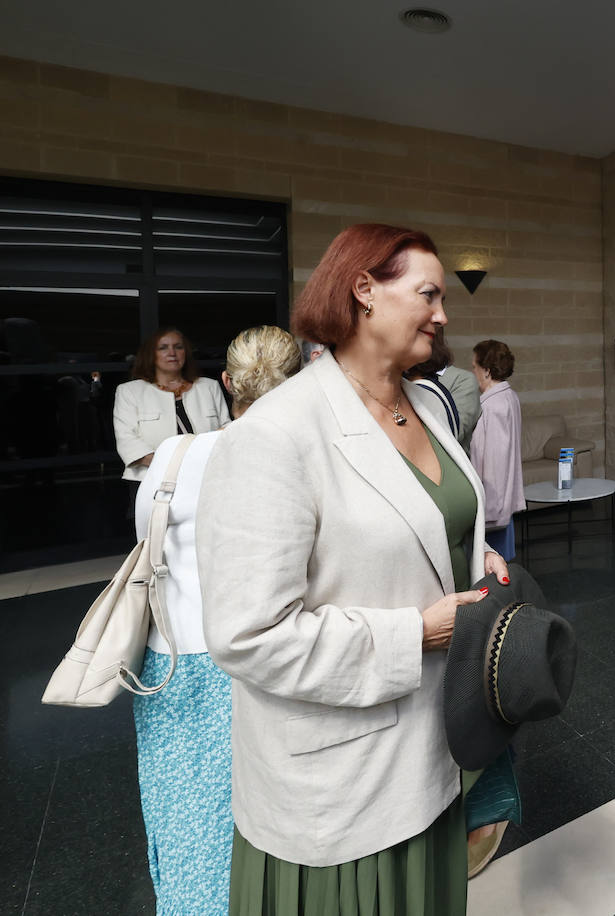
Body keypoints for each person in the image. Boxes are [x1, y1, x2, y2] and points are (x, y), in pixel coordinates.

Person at [198, 223, 509, 915]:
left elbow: (435, 521)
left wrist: (474, 555)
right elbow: (246, 633)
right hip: (345, 780)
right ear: (363, 290)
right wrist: (416, 634)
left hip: (436, 748)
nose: (443, 314)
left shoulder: (428, 403)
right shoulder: (275, 435)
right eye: (428, 293)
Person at [132, 325, 301, 915]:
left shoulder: (175, 457)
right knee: (265, 817)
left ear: (226, 383)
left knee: (182, 816)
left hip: (172, 660)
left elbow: (147, 553)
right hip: (258, 662)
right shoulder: (297, 462)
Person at [113, 328, 231, 486]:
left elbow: (226, 429)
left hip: (205, 477)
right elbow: (127, 439)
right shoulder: (130, 391)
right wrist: (171, 466)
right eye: (163, 348)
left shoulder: (209, 386)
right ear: (151, 354)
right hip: (151, 479)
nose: (172, 353)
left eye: (178, 347)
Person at [469, 339, 524, 561]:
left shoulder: (491, 406)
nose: (472, 372)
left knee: (494, 564)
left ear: (487, 371)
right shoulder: (509, 397)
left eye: (474, 367)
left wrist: (487, 507)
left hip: (493, 502)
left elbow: (493, 462)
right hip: (503, 501)